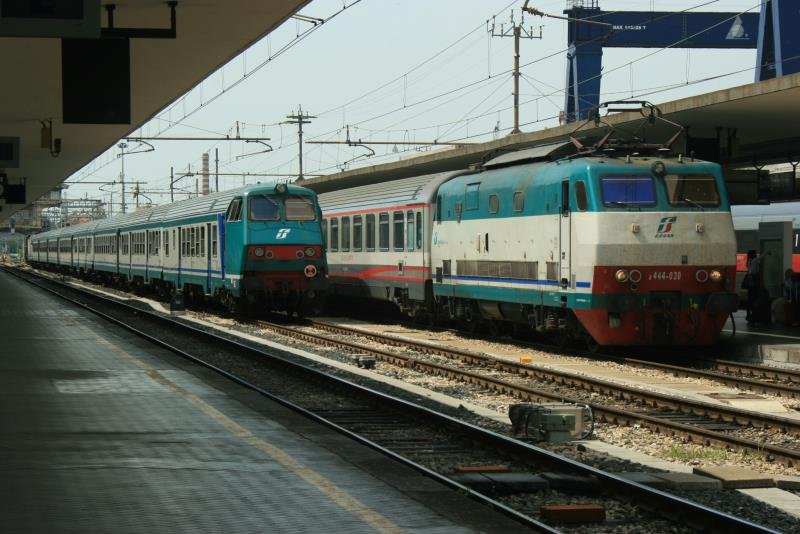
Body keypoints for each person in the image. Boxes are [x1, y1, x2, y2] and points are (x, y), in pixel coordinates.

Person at [743, 250, 766, 323]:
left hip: (749, 282)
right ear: (753, 255)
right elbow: (762, 257)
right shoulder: (755, 260)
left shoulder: (749, 261)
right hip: (754, 281)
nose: (756, 254)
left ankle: (748, 315)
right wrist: (768, 251)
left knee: (750, 299)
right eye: (755, 253)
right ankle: (754, 315)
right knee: (755, 298)